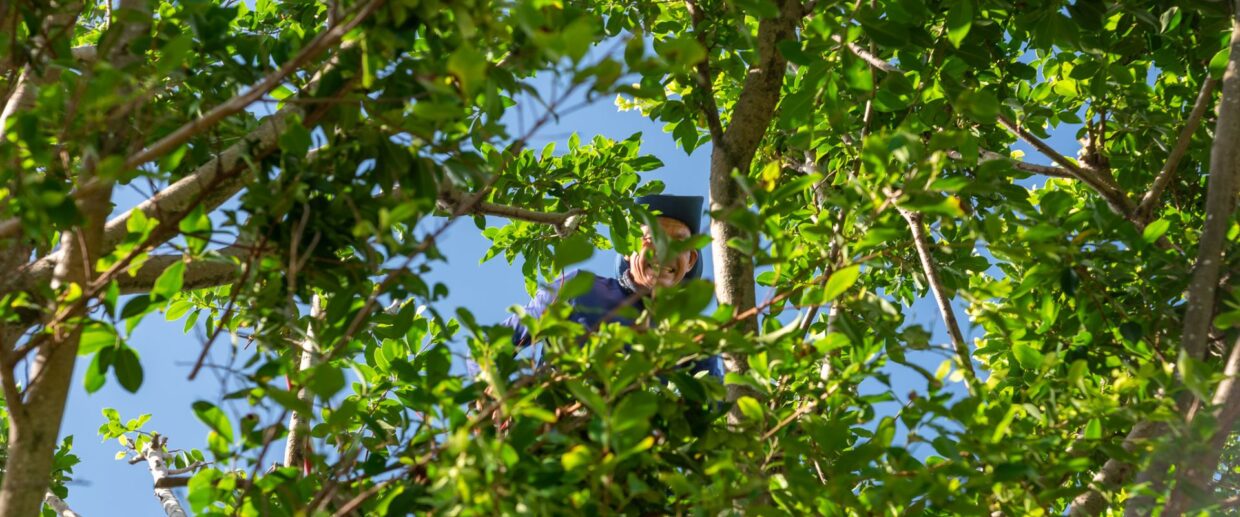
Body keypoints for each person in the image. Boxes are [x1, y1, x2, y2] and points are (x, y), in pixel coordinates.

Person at [501, 194, 723, 378]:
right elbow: (498, 344)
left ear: (691, 259)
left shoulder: (693, 336)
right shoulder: (579, 289)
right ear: (628, 247)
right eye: (652, 239)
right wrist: (493, 390)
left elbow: (715, 411)